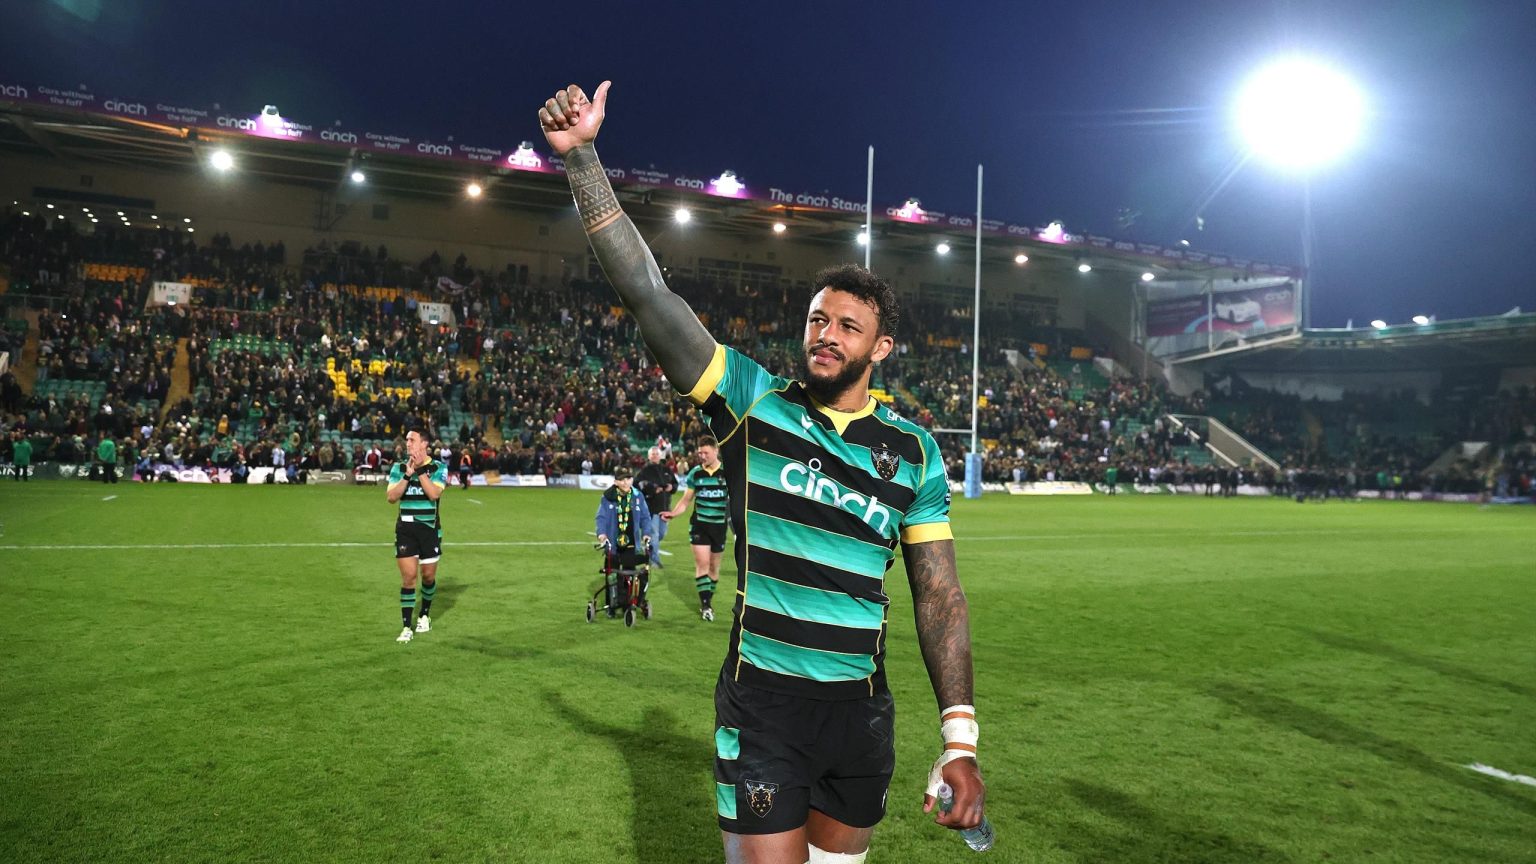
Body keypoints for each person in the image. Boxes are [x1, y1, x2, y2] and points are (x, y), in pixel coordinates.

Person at [541, 81, 985, 864]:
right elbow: (649, 294)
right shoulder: (753, 403)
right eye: (817, 319)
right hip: (764, 704)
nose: (826, 335)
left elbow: (939, 596)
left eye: (848, 326)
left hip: (860, 713)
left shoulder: (915, 451)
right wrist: (582, 159)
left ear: (880, 348)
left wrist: (961, 740)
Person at [386, 427, 447, 643]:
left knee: (428, 577)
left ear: (424, 444)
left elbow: (433, 493)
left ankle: (424, 614)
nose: (408, 443)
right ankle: (406, 627)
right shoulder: (399, 467)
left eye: (412, 439)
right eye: (407, 440)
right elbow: (391, 497)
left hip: (429, 530)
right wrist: (407, 475)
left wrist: (420, 470)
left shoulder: (439, 467)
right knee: (409, 577)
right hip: (405, 530)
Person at [663, 436, 729, 621]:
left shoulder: (727, 472)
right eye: (700, 453)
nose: (702, 456)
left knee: (714, 568)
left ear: (716, 451)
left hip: (719, 527)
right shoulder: (695, 473)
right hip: (699, 525)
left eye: (705, 453)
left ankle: (708, 599)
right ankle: (706, 605)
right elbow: (686, 500)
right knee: (702, 564)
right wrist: (673, 513)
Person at [594, 465, 652, 617]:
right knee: (611, 575)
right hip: (613, 544)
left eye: (628, 479)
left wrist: (646, 534)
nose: (626, 482)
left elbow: (645, 517)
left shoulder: (638, 496)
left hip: (631, 543)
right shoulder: (608, 497)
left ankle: (627, 604)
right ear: (616, 482)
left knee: (630, 574)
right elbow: (601, 518)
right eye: (622, 480)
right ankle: (612, 606)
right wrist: (602, 535)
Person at [635, 446, 677, 568]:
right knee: (654, 534)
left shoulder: (667, 470)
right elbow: (637, 485)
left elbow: (675, 483)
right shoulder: (644, 471)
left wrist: (672, 487)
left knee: (662, 533)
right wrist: (652, 489)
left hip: (665, 508)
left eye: (656, 454)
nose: (654, 456)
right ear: (648, 457)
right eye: (652, 454)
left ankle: (648, 545)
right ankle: (654, 560)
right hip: (651, 508)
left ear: (660, 456)